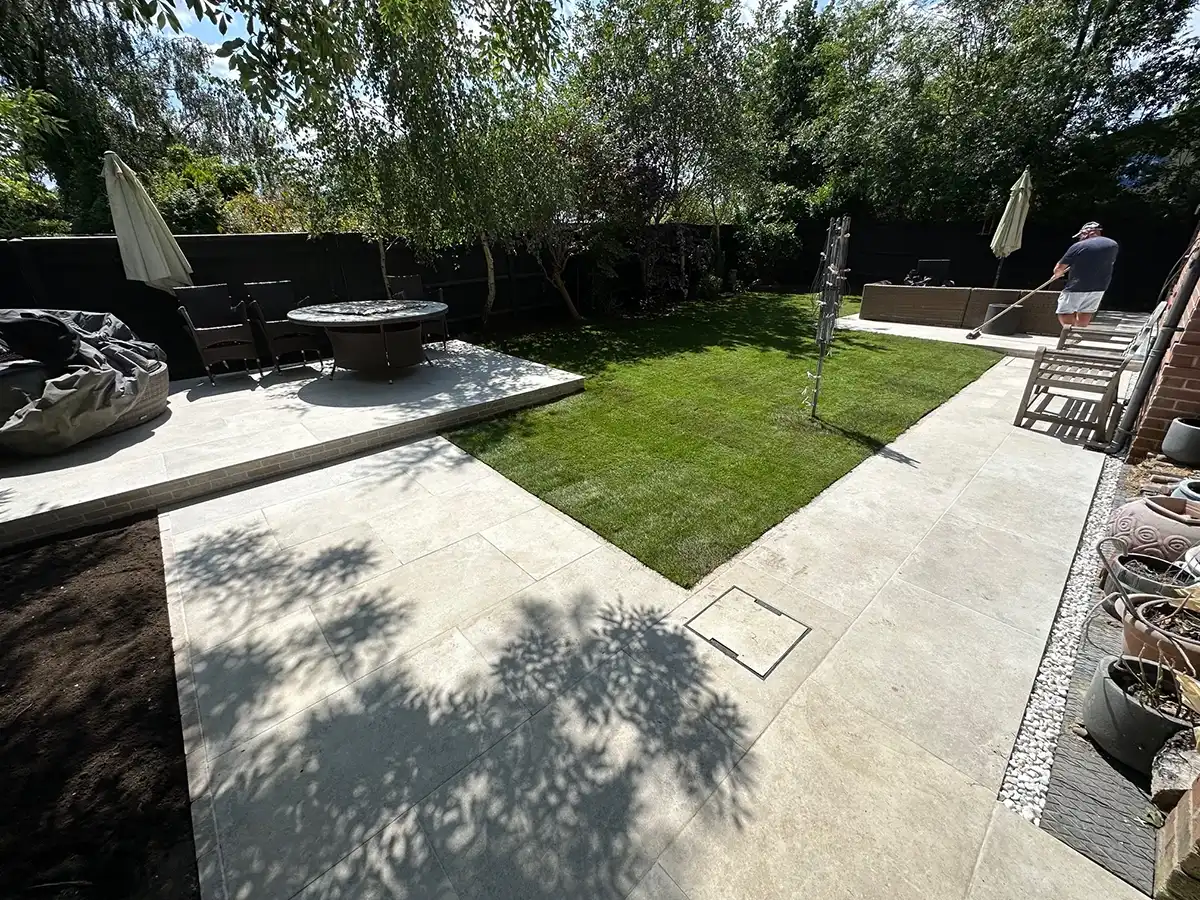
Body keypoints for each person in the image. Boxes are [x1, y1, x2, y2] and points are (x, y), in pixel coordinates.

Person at [1052, 221, 1119, 328]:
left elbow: (1059, 268)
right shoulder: (1112, 245)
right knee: (1086, 311)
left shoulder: (1078, 246)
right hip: (1100, 285)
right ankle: (1079, 332)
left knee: (1064, 311)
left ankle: (1069, 334)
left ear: (1088, 232)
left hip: (1077, 285)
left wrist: (1057, 274)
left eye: (1081, 235)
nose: (1080, 238)